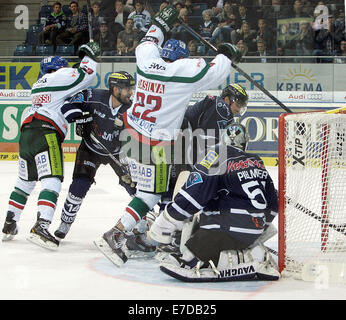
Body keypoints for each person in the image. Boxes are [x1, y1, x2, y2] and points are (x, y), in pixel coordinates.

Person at [93, 5, 243, 267]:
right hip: (155, 143)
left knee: (143, 190)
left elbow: (148, 39)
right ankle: (115, 233)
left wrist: (162, 22)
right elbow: (216, 72)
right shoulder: (182, 72)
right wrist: (227, 54)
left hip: (130, 134)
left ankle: (139, 233)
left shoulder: (146, 59)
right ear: (182, 58)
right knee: (151, 195)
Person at [149, 123, 280, 282]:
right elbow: (273, 203)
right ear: (246, 142)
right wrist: (260, 226)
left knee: (197, 220)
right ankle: (248, 252)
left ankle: (202, 258)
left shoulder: (217, 154)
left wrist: (168, 219)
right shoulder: (256, 161)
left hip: (222, 230)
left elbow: (196, 190)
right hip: (254, 230)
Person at [1, 42, 101, 249]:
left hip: (27, 133)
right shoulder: (58, 76)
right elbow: (86, 75)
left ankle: (10, 223)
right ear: (58, 69)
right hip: (46, 132)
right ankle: (41, 225)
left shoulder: (38, 86)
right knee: (52, 179)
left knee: (24, 183)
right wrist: (90, 55)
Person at [54, 72, 136, 240]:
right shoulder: (93, 96)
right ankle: (65, 222)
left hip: (117, 153)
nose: (130, 93)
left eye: (131, 88)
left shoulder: (132, 109)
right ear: (115, 89)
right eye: (127, 89)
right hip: (90, 148)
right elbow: (69, 106)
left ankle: (141, 228)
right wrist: (79, 117)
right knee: (80, 184)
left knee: (134, 187)